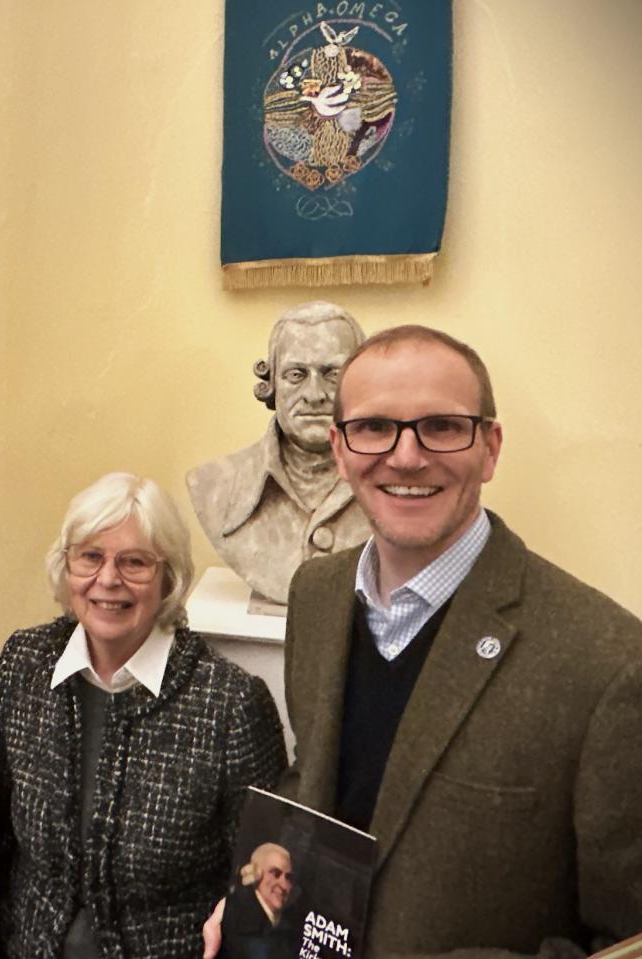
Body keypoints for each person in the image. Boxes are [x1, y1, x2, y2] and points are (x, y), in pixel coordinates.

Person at [206, 326, 642, 958]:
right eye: (375, 427)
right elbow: (320, 781)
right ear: (339, 446)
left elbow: (629, 937)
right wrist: (253, 902)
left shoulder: (607, 661)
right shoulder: (317, 593)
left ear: (490, 448)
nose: (406, 457)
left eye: (441, 426)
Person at [0, 472, 287, 959]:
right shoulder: (25, 664)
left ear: (169, 577)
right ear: (66, 568)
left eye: (134, 562)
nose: (108, 580)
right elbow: (6, 843)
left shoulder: (230, 703)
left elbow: (258, 876)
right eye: (90, 557)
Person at [187, 301, 371, 604]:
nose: (315, 395)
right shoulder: (215, 486)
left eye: (332, 375)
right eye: (296, 375)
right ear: (271, 382)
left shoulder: (394, 483)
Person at [219, 844, 295, 959]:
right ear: (254, 873)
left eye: (288, 877)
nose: (284, 885)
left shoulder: (287, 931)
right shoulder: (234, 915)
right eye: (275, 873)